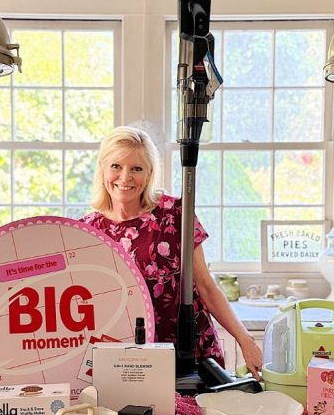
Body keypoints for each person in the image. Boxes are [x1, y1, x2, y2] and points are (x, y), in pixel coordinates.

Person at [81, 126, 263, 379]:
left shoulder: (175, 213)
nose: (125, 177)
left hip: (190, 352)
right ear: (102, 169)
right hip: (128, 361)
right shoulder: (88, 230)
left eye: (136, 168)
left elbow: (206, 287)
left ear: (149, 173)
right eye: (116, 166)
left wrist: (246, 341)